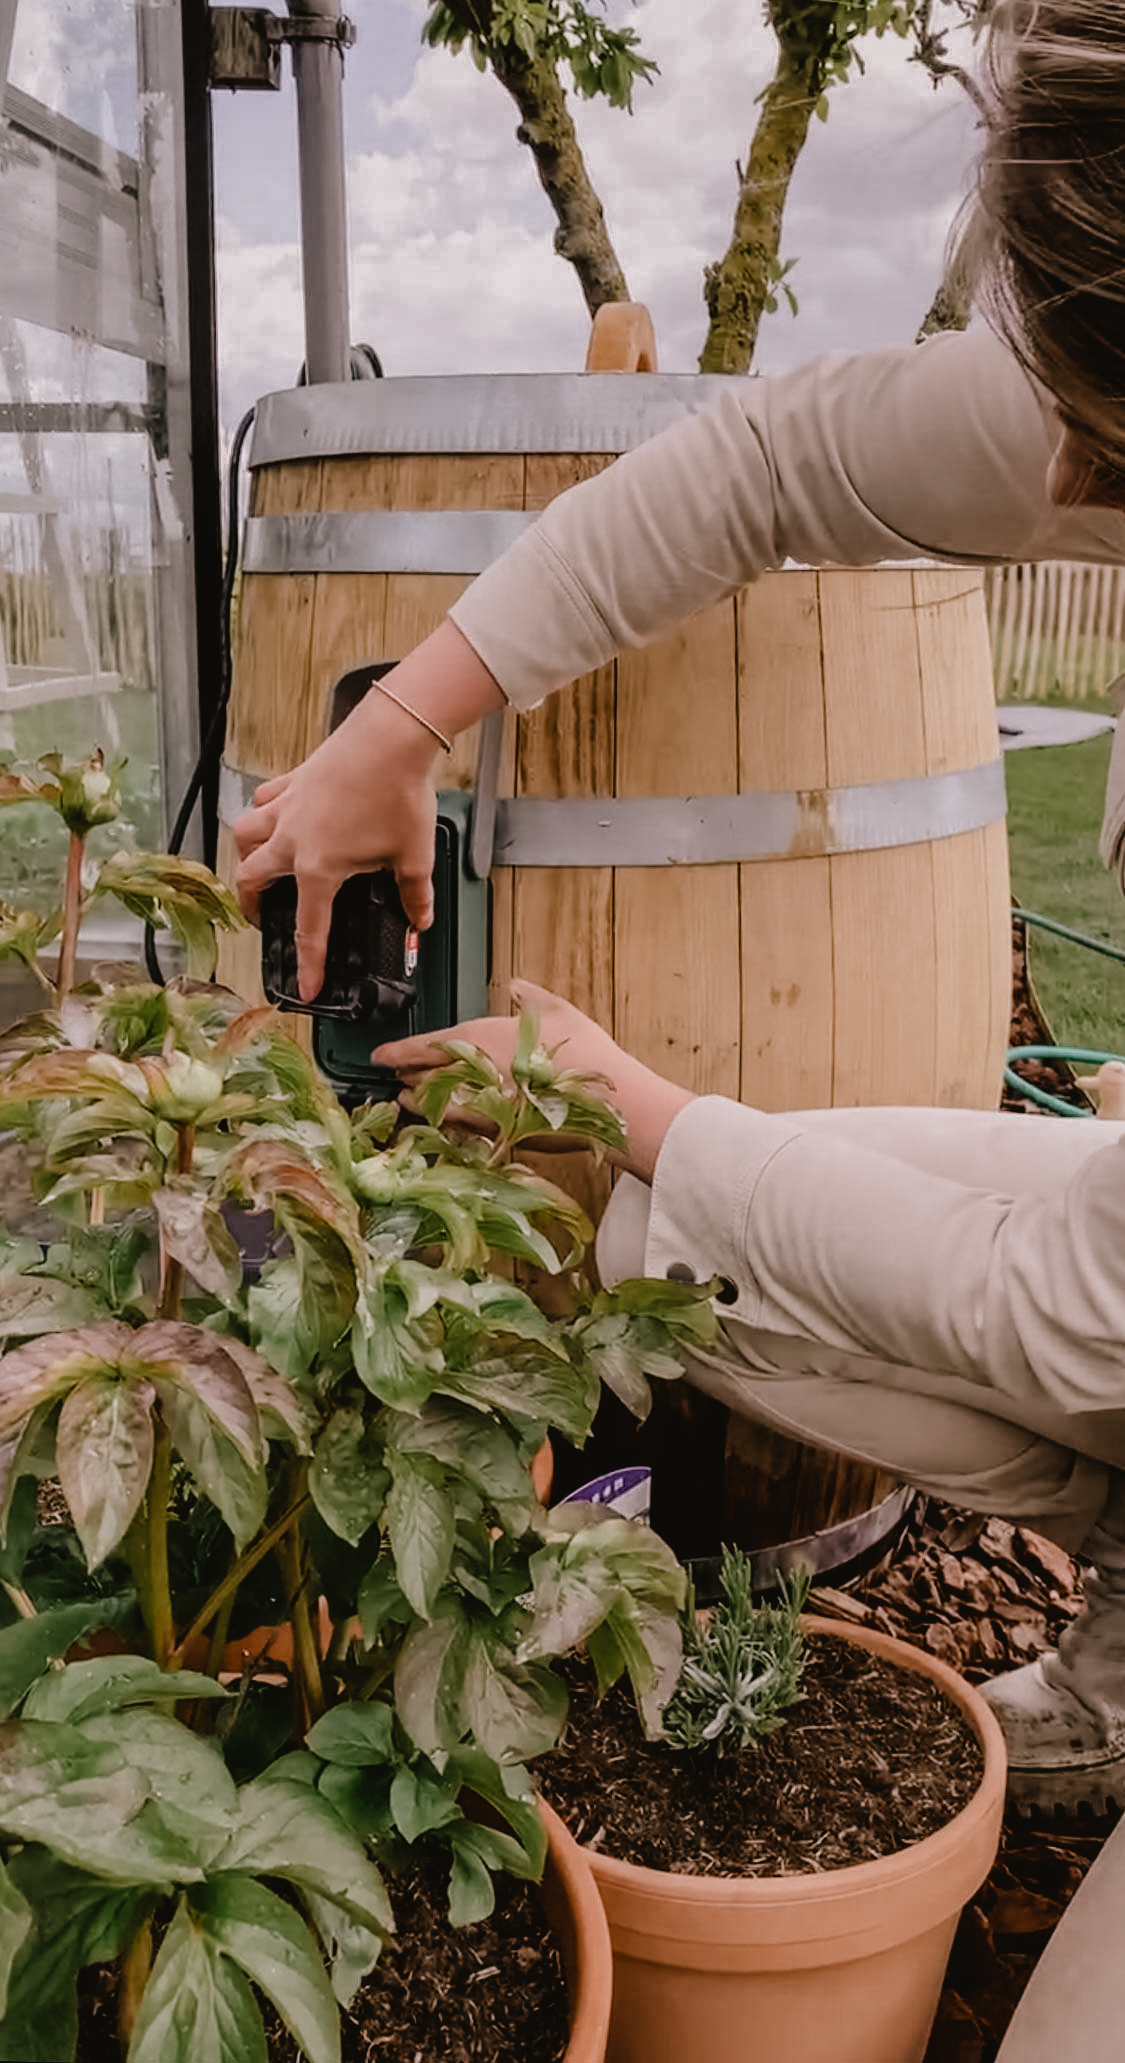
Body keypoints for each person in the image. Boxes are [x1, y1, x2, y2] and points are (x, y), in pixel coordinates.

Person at [235, 0, 1125, 1810]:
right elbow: (765, 462)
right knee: (671, 1253)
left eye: (1093, 416)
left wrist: (628, 1106)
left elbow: (1080, 1314)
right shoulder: (1070, 408)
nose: (1047, 484)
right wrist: (397, 727)